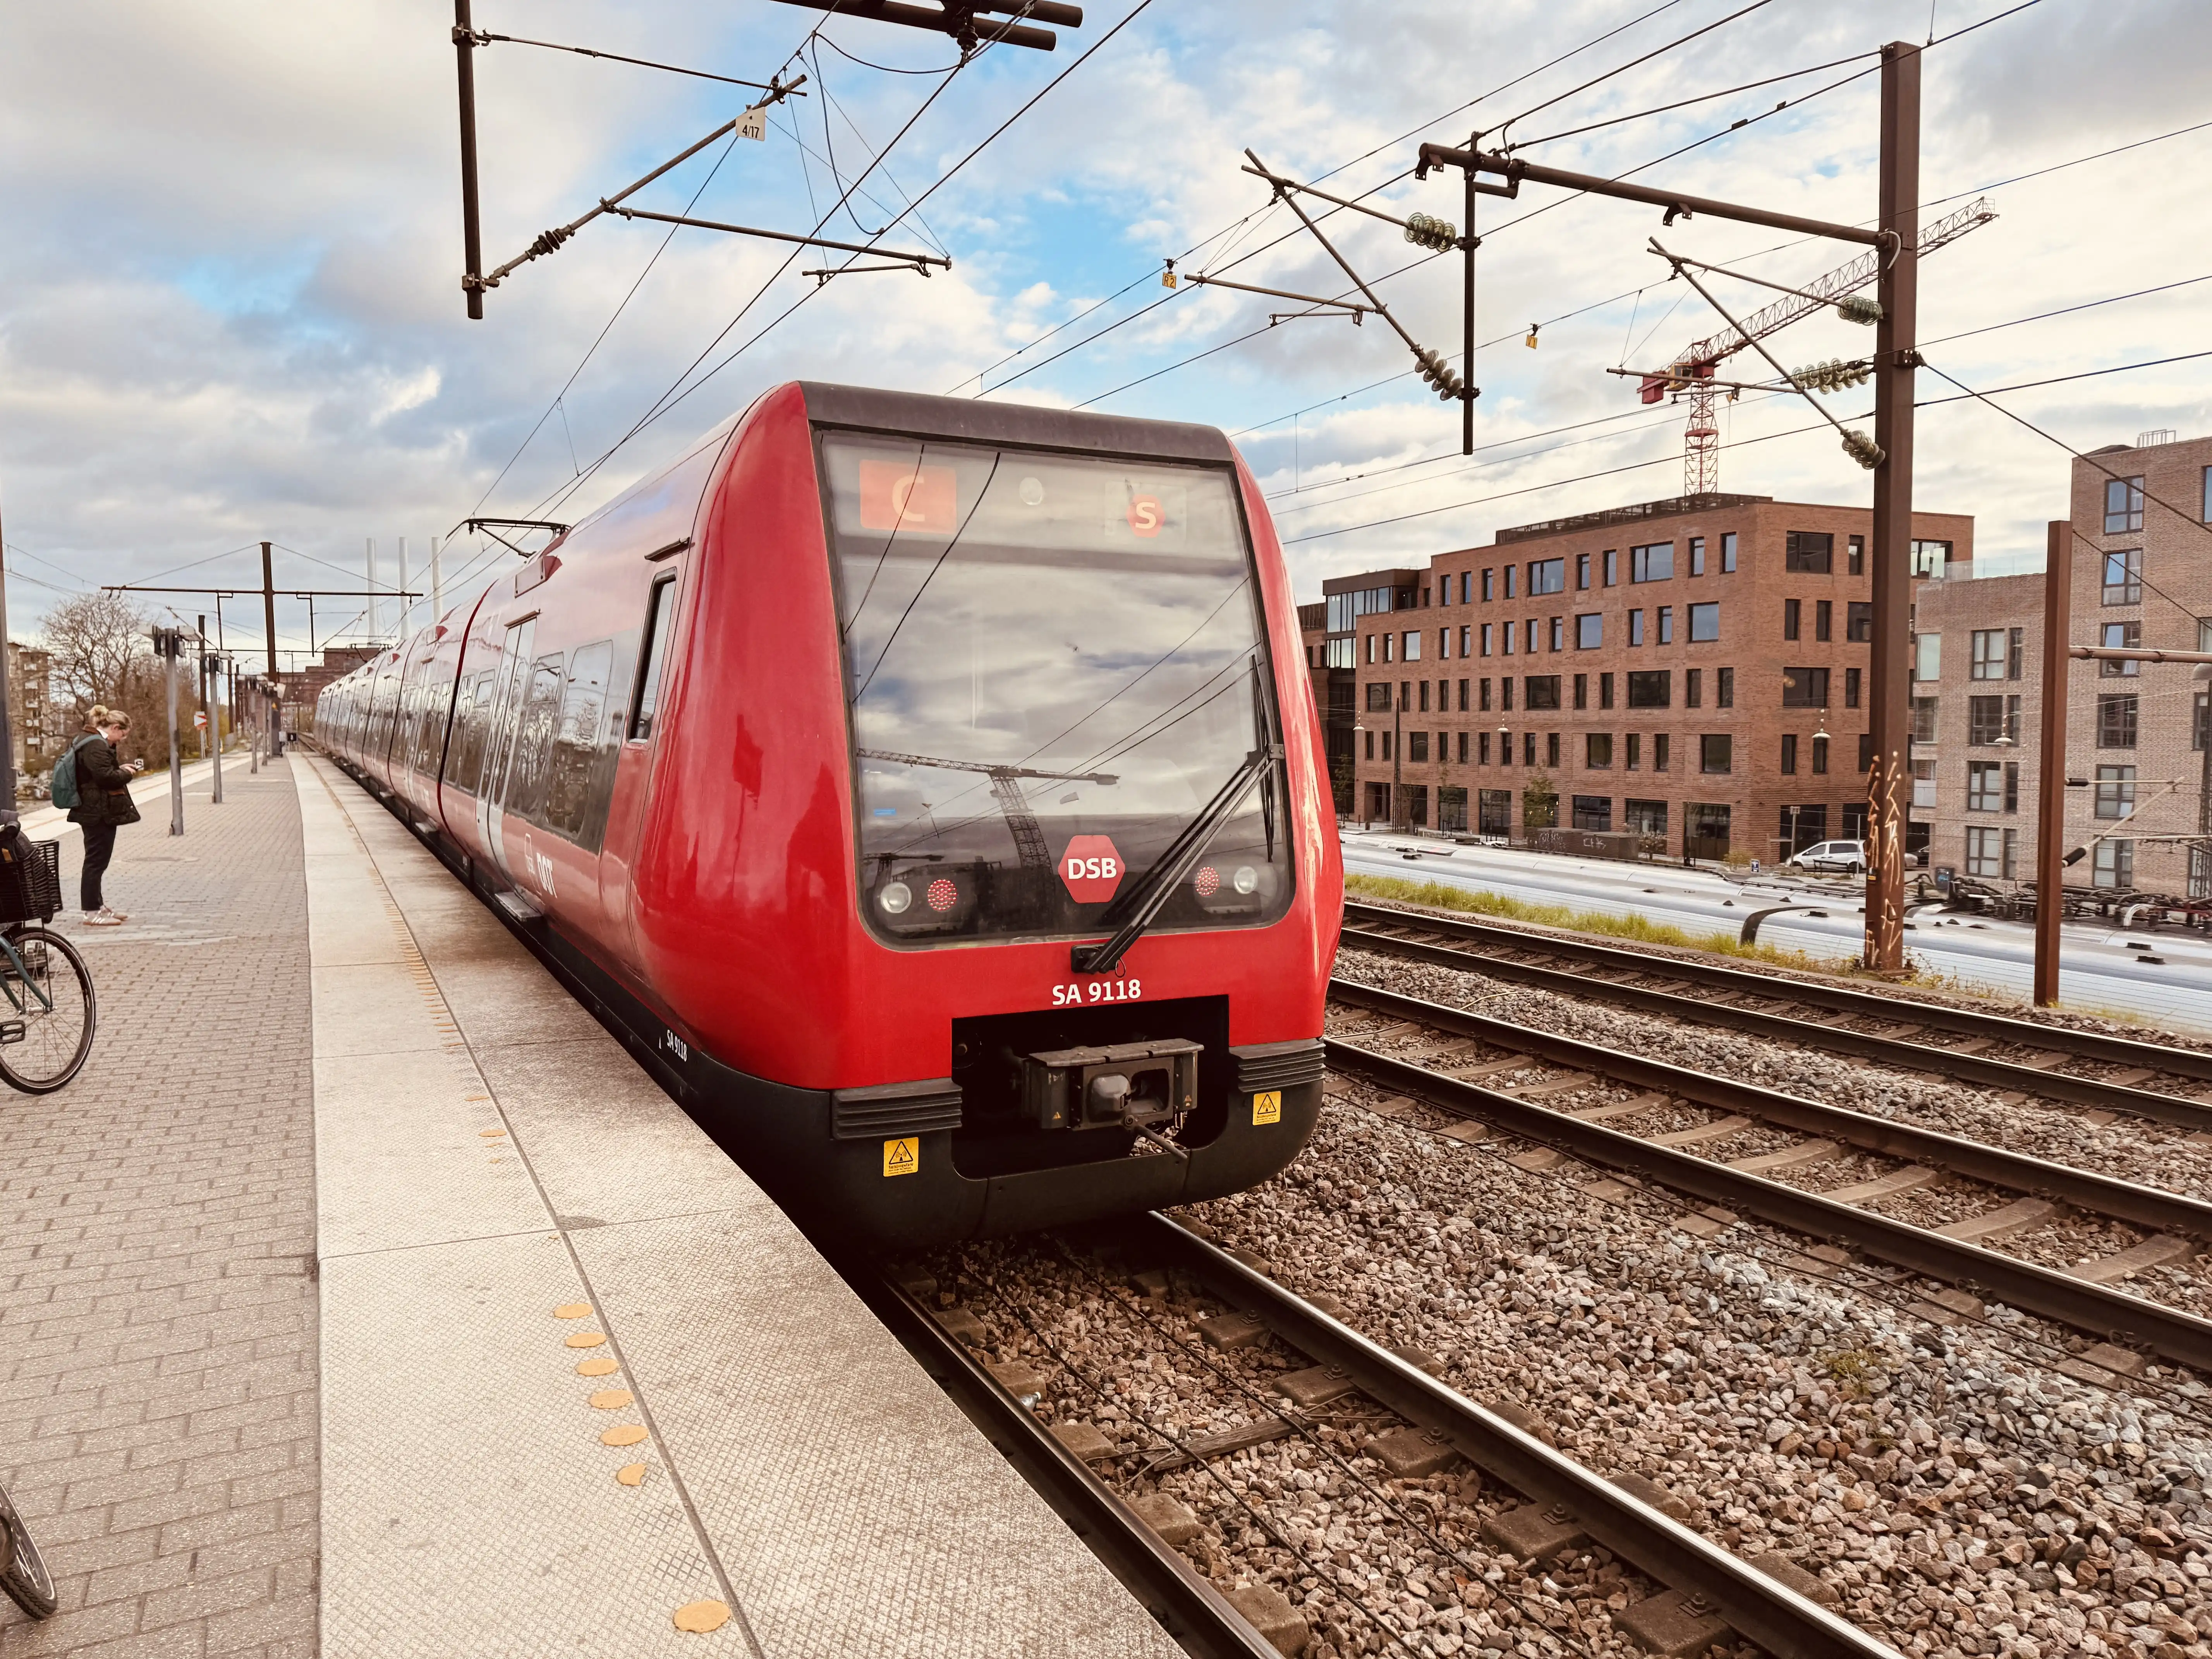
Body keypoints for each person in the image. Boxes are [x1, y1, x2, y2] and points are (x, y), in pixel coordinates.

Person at [68, 707, 144, 926]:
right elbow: (106, 778)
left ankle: (98, 906)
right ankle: (91, 912)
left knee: (98, 861)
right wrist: (126, 773)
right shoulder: (95, 744)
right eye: (122, 734)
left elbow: (98, 773)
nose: (122, 739)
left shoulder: (91, 741)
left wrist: (118, 768)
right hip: (96, 812)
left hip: (95, 809)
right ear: (114, 728)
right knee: (95, 861)